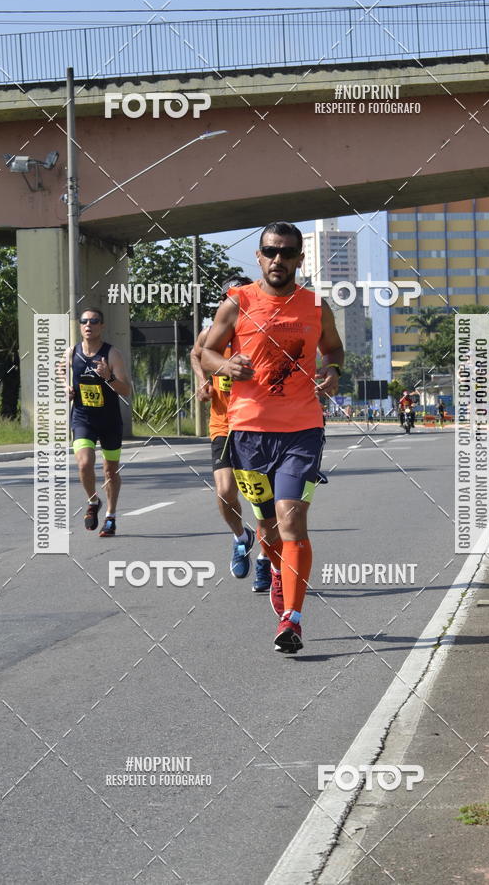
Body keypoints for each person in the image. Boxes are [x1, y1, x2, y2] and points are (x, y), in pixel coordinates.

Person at [201, 221, 344, 654]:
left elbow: (333, 349)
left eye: (286, 252)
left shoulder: (316, 305)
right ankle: (278, 570)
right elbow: (207, 352)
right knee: (266, 523)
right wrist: (225, 366)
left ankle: (292, 620)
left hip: (302, 429)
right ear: (259, 257)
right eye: (270, 251)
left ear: (300, 258)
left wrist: (333, 370)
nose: (278, 259)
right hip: (248, 432)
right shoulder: (237, 302)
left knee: (291, 518)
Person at [191, 275, 273, 591]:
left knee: (262, 499)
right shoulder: (211, 333)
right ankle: (241, 536)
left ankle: (265, 560)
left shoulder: (263, 333)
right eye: (228, 298)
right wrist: (202, 381)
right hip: (224, 424)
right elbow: (196, 354)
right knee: (225, 491)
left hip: (258, 424)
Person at [63, 308, 131, 536]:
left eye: (94, 321)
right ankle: (93, 500)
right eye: (84, 321)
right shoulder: (71, 353)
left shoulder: (112, 354)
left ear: (102, 326)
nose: (88, 325)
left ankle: (110, 516)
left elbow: (126, 390)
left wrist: (108, 377)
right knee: (84, 464)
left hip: (109, 420)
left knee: (110, 470)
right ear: (80, 326)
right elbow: (61, 374)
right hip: (83, 418)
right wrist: (66, 388)